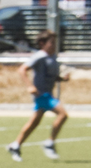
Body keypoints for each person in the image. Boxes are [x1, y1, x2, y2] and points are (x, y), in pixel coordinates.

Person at [7, 31, 69, 161]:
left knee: (34, 123)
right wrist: (30, 86)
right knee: (62, 114)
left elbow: (50, 76)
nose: (54, 45)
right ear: (42, 44)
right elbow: (22, 70)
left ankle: (16, 145)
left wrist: (62, 79)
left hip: (47, 94)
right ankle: (49, 143)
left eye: (55, 42)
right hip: (42, 95)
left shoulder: (52, 57)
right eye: (51, 42)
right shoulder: (39, 56)